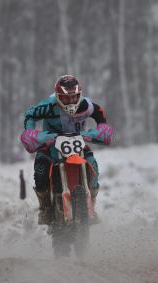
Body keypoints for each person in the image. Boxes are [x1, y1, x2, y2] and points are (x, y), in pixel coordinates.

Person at [20, 75, 113, 224]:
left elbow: (100, 113)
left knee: (93, 165)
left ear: (79, 95)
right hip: (50, 145)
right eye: (65, 98)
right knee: (40, 171)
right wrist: (30, 132)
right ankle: (45, 208)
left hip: (78, 142)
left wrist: (101, 129)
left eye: (74, 97)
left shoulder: (87, 105)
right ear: (57, 97)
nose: (70, 101)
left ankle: (92, 204)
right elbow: (30, 115)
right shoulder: (48, 105)